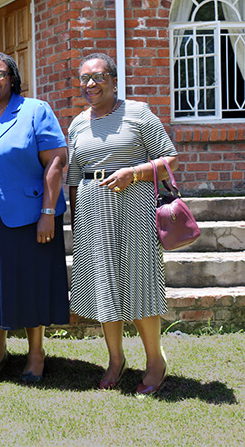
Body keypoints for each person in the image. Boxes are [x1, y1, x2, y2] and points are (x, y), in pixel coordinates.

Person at [67, 52, 179, 395]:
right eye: (85, 79)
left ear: (113, 80)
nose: (91, 84)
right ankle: (115, 360)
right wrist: (76, 221)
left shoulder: (138, 112)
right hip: (92, 210)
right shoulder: (77, 124)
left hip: (134, 207)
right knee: (104, 285)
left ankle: (155, 361)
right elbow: (73, 176)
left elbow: (169, 158)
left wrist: (135, 172)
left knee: (139, 283)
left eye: (98, 77)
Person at [0, 51, 70, 382]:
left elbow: (55, 162)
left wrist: (48, 212)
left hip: (28, 216)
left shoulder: (35, 111)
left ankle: (36, 353)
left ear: (12, 78)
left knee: (30, 283)